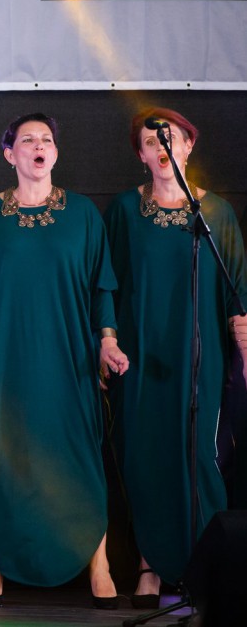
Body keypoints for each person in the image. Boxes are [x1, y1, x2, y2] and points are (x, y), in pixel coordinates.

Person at [0, 112, 129, 609]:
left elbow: (102, 288)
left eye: (46, 139)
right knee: (4, 462)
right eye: (27, 139)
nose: (38, 145)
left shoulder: (83, 215)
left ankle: (99, 564)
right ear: (10, 154)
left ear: (55, 152)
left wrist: (107, 342)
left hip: (66, 361)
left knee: (78, 458)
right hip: (1, 362)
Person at [103, 108, 247, 608]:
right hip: (140, 355)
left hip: (200, 358)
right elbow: (106, 283)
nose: (161, 147)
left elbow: (238, 292)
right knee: (146, 456)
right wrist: (106, 342)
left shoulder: (217, 213)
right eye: (150, 141)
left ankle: (206, 570)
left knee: (199, 455)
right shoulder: (125, 210)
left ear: (188, 145)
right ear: (141, 155)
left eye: (170, 138)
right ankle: (149, 566)